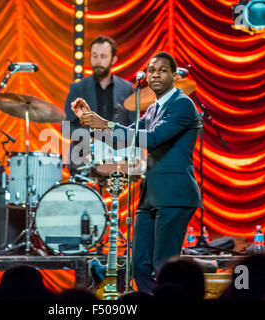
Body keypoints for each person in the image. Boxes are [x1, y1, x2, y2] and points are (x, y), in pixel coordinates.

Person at [70, 51, 202, 293]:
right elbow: (124, 138)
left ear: (174, 76)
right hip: (150, 196)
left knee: (163, 266)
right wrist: (90, 121)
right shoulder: (152, 110)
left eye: (162, 70)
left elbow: (151, 139)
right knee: (139, 265)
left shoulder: (182, 104)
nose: (155, 75)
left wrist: (104, 123)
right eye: (151, 70)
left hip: (174, 196)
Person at [64, 35, 135, 174]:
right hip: (85, 153)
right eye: (95, 56)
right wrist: (89, 136)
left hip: (117, 153)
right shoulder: (77, 88)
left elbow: (133, 125)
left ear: (114, 59)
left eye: (103, 56)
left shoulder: (126, 88)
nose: (98, 61)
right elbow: (66, 127)